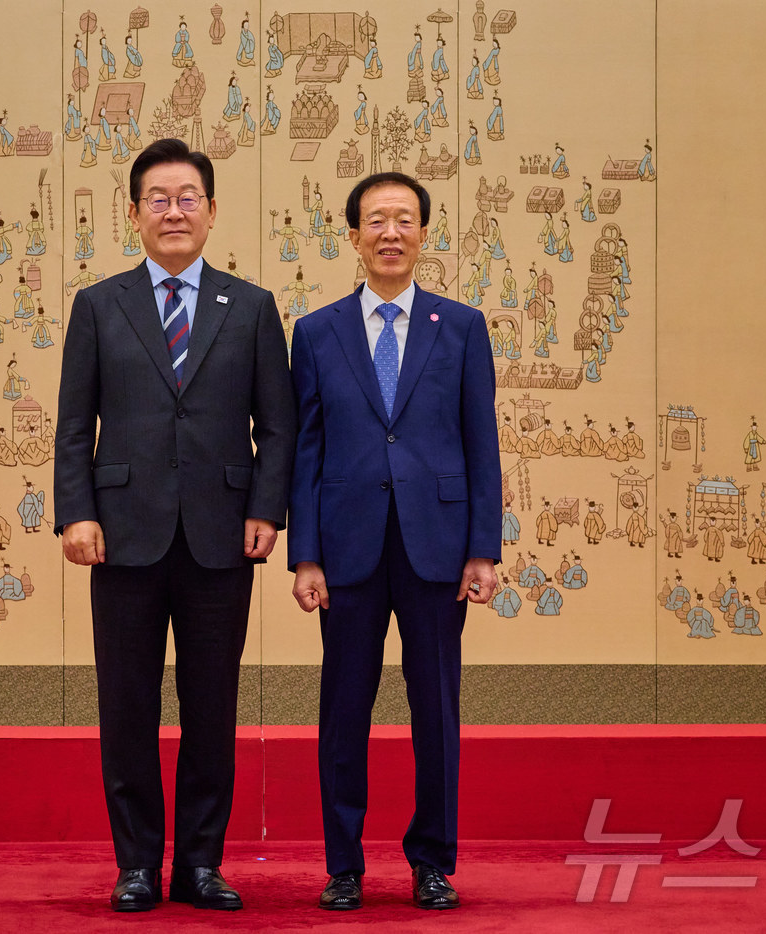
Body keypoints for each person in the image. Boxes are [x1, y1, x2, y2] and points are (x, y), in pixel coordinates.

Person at [55, 139, 296, 913]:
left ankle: (198, 864)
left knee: (211, 706)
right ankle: (135, 865)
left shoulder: (250, 307)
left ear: (212, 211)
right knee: (127, 705)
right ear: (134, 214)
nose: (174, 211)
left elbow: (278, 427)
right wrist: (76, 512)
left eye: (188, 197)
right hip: (122, 534)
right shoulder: (100, 305)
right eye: (157, 199)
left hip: (221, 536)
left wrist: (266, 508)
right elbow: (73, 426)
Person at [289, 172, 502, 912]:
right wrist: (306, 555)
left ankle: (432, 861)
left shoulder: (462, 326)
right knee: (343, 709)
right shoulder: (317, 332)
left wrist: (483, 548)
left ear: (423, 234)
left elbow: (481, 444)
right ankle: (343, 865)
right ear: (353, 236)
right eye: (376, 220)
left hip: (436, 547)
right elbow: (306, 451)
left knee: (436, 710)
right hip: (346, 547)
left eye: (404, 219)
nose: (390, 232)